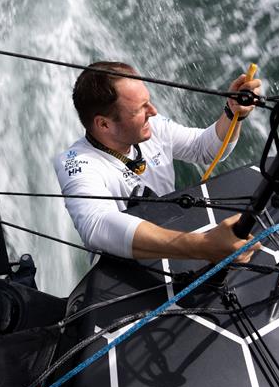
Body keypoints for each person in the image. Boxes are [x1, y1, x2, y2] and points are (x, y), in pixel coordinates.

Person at [54, 61, 261, 264]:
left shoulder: (152, 126)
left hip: (180, 248)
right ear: (104, 124)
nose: (152, 111)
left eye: (148, 102)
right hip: (126, 279)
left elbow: (204, 149)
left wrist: (232, 112)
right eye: (139, 109)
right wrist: (204, 245)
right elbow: (97, 225)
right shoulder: (76, 163)